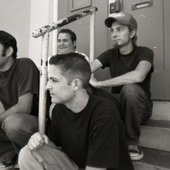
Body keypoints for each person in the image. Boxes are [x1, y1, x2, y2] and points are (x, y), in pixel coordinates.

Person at [18, 53, 134, 170]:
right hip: (78, 166)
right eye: (48, 80)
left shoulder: (104, 113)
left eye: (54, 80)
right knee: (29, 152)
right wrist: (39, 140)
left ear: (75, 84)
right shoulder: (59, 109)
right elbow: (55, 145)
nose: (47, 86)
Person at [90, 12, 154, 161]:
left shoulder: (144, 52)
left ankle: (131, 141)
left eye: (119, 30)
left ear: (132, 33)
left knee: (130, 88)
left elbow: (139, 75)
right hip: (118, 106)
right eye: (112, 30)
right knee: (86, 88)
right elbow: (85, 70)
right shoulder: (110, 54)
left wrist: (100, 84)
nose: (114, 34)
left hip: (140, 109)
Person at [0, 30, 39, 168]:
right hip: (13, 123)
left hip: (36, 124)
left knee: (12, 123)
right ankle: (12, 157)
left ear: (9, 50)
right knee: (10, 122)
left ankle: (35, 160)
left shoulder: (24, 64)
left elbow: (24, 107)